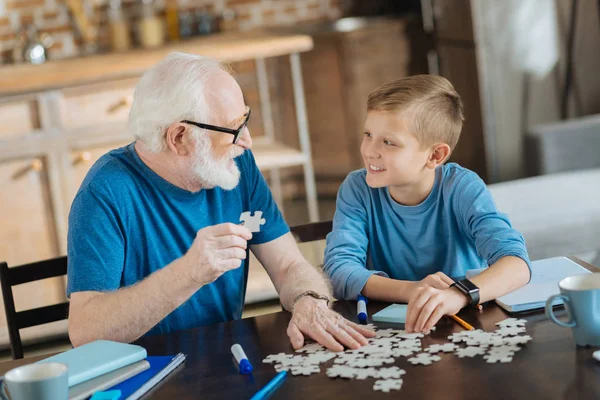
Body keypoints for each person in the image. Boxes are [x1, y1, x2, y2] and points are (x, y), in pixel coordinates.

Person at [66, 52, 374, 352]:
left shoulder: (235, 164)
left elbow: (288, 264)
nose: (247, 140)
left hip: (227, 359)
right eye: (235, 128)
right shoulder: (105, 191)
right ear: (179, 138)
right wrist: (188, 273)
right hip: (148, 375)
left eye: (246, 120)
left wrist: (308, 300)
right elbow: (85, 333)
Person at [323, 75, 531, 333]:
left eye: (388, 142)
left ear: (435, 155)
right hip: (393, 328)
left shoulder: (462, 188)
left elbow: (517, 264)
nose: (369, 151)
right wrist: (414, 290)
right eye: (368, 134)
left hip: (467, 323)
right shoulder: (357, 189)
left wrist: (458, 294)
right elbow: (339, 270)